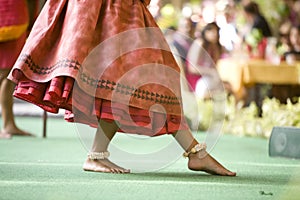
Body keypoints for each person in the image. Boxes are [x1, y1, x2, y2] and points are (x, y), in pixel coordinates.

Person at [8, 0, 236, 176]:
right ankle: (195, 152)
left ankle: (99, 154)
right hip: (110, 9)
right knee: (135, 79)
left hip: (119, 9)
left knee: (133, 80)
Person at [0, 0, 39, 139]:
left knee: (8, 75)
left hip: (16, 17)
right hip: (9, 18)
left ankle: (9, 124)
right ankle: (8, 124)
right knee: (5, 74)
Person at [186, 22, 231, 99]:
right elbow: (192, 68)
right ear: (205, 32)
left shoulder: (215, 46)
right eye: (211, 31)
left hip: (209, 78)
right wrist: (210, 72)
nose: (215, 34)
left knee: (229, 87)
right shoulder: (200, 43)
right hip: (196, 79)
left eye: (216, 31)